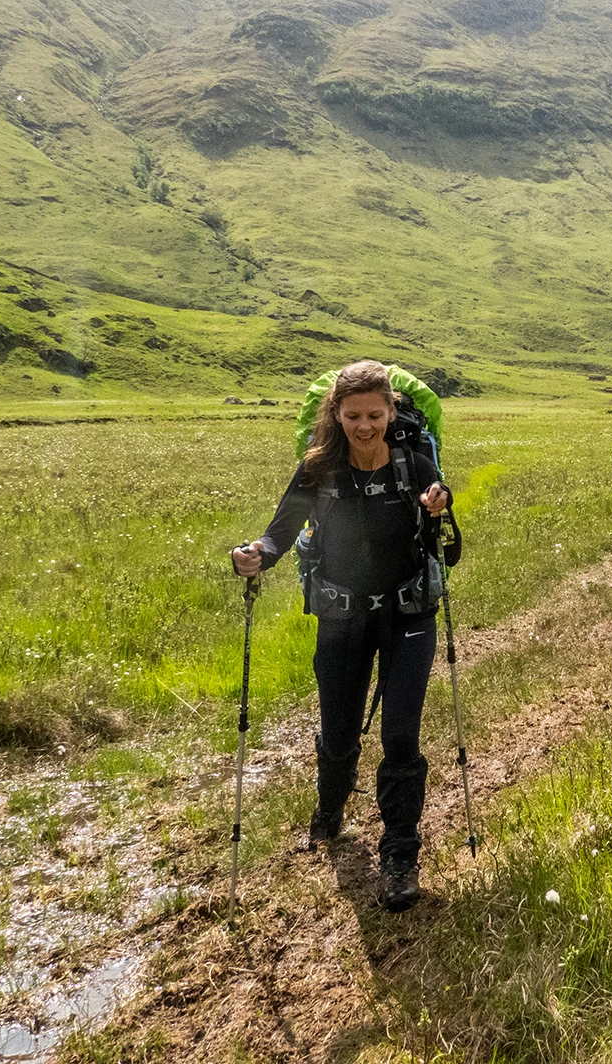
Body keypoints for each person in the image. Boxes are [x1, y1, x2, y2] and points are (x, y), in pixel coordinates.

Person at [231, 360, 451, 912]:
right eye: (353, 416)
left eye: (375, 415)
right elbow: (279, 533)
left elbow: (449, 546)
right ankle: (330, 806)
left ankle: (400, 855)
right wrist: (254, 555)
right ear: (336, 414)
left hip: (409, 615)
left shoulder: (415, 463)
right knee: (338, 730)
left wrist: (438, 510)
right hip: (342, 618)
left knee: (401, 736)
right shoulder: (317, 469)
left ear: (391, 412)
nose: (365, 426)